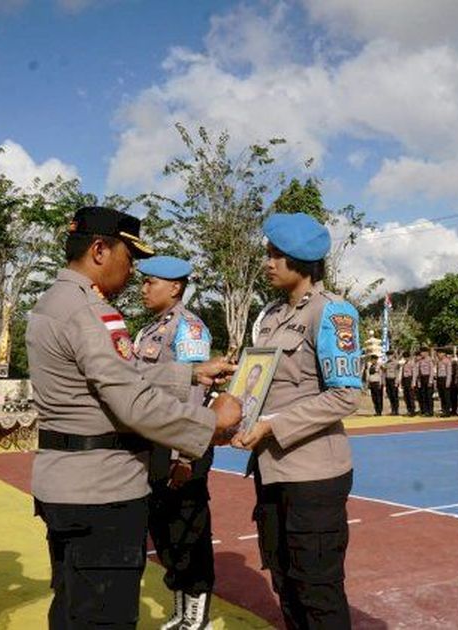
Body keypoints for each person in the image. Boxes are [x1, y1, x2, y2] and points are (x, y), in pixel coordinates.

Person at [25, 206, 242, 629]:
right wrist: (210, 426)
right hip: (102, 490)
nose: (133, 273)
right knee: (104, 616)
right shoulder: (91, 311)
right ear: (101, 250)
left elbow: (117, 375)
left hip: (66, 483)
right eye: (131, 258)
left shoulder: (54, 302)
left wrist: (189, 373)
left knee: (73, 606)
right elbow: (132, 401)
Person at [233, 212, 362, 630]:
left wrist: (272, 425)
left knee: (317, 588)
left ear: (302, 262)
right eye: (268, 253)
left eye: (276, 255)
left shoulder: (332, 313)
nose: (268, 262)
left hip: (313, 473)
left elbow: (345, 395)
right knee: (284, 582)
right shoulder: (270, 316)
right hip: (272, 470)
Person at [132, 255, 220, 630]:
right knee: (166, 533)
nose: (143, 289)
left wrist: (186, 456)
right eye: (143, 282)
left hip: (182, 450)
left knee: (190, 532)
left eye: (151, 282)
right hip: (155, 449)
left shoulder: (190, 329)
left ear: (176, 287)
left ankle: (195, 615)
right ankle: (181, 610)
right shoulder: (149, 330)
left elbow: (195, 396)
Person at [416, 349, 435, 416]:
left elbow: (431, 371)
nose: (421, 354)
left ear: (426, 353)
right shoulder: (420, 361)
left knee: (429, 396)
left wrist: (430, 381)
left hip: (428, 377)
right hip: (422, 378)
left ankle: (430, 411)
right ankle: (425, 411)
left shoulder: (430, 360)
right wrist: (419, 382)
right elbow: (419, 372)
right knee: (423, 396)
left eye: (422, 352)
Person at [383, 350, 401, 416]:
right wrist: (384, 381)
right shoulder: (386, 363)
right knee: (390, 396)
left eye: (390, 355)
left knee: (394, 396)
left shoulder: (396, 363)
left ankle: (396, 410)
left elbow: (397, 372)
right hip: (388, 380)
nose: (389, 357)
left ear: (393, 355)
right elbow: (384, 373)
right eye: (388, 355)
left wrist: (396, 381)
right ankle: (392, 409)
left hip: (393, 380)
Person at [435, 350, 451, 416]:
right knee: (441, 396)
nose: (438, 355)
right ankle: (443, 409)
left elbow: (449, 373)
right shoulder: (439, 362)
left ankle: (447, 411)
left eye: (440, 353)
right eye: (438, 354)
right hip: (439, 379)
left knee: (446, 396)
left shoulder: (447, 361)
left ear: (443, 353)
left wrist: (448, 382)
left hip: (445, 379)